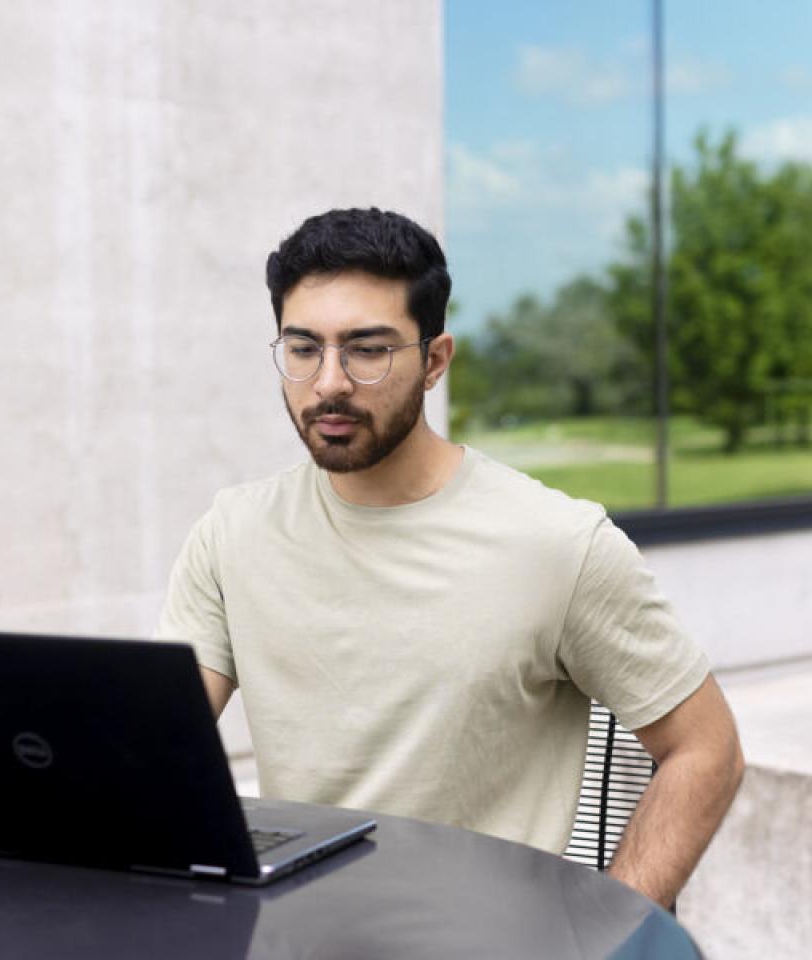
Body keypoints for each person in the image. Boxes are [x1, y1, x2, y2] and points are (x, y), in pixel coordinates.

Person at [156, 207, 744, 907]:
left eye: (367, 349)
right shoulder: (233, 535)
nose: (329, 382)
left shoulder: (556, 543)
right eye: (304, 347)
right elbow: (158, 752)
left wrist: (612, 935)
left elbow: (707, 751)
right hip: (298, 939)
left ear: (435, 360)